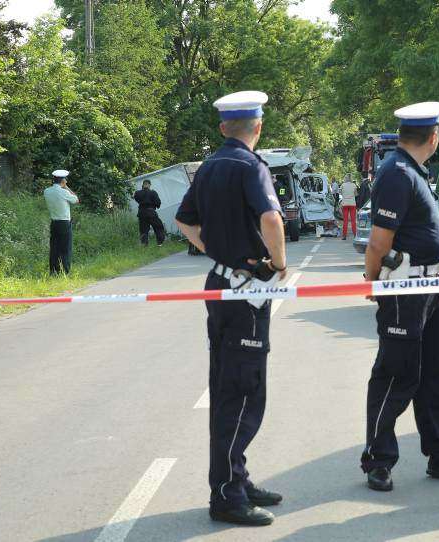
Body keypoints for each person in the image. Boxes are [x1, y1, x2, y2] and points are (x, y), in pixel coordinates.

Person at [175, 90, 287, 527]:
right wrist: (278, 263)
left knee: (230, 385)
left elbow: (184, 220)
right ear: (258, 127)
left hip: (222, 284)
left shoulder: (208, 167)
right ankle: (226, 495)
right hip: (246, 290)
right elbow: (271, 219)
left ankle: (236, 478)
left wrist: (215, 252)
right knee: (242, 391)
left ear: (224, 127)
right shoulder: (250, 166)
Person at [361, 101, 439, 492]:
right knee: (396, 373)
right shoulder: (396, 174)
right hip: (406, 288)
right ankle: (378, 460)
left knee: (435, 372)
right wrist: (374, 282)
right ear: (433, 137)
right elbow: (378, 242)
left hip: (430, 288)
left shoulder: (411, 171)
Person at [43, 169, 79, 275]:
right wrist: (66, 187)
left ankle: (53, 270)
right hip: (64, 223)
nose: (66, 181)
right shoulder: (64, 192)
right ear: (63, 180)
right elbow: (76, 200)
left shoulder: (47, 191)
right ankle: (64, 271)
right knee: (65, 248)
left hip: (54, 223)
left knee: (54, 247)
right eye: (65, 180)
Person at [133, 179, 166, 246]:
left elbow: (137, 199)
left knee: (143, 230)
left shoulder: (138, 193)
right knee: (158, 227)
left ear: (143, 185)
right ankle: (160, 243)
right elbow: (158, 203)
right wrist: (154, 205)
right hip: (151, 212)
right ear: (149, 185)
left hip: (142, 213)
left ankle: (144, 245)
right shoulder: (153, 192)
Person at [340, 173, 358, 240]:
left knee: (345, 220)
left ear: (345, 178)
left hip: (345, 204)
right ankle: (355, 235)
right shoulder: (354, 185)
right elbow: (356, 194)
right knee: (353, 220)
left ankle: (344, 236)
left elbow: (340, 193)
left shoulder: (342, 185)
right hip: (352, 204)